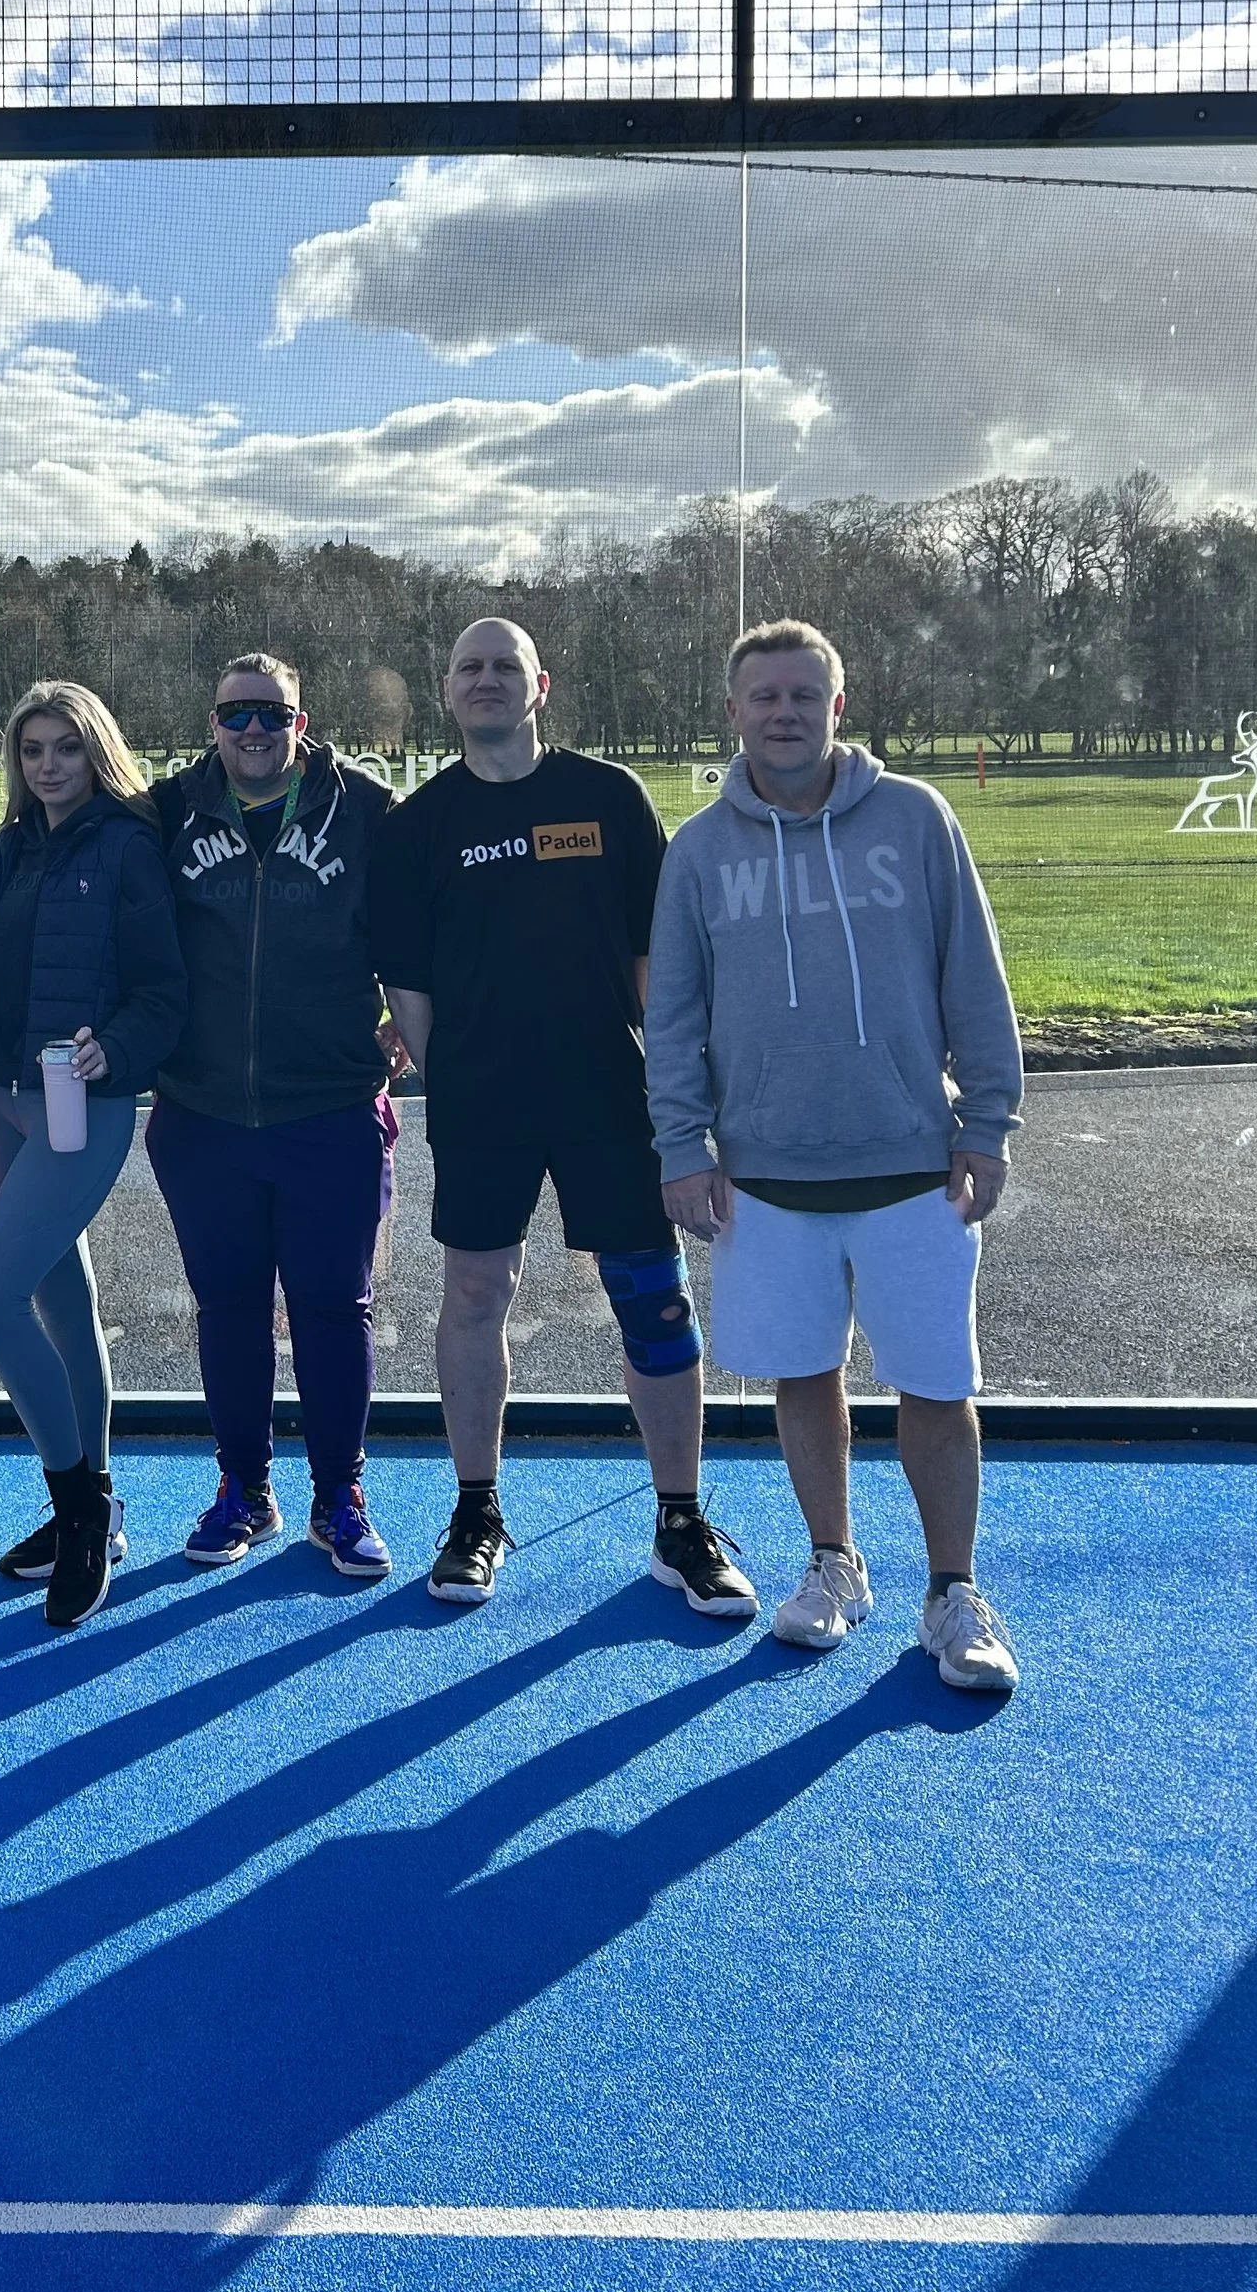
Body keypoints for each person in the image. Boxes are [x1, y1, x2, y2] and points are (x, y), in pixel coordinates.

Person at [647, 619, 1024, 1695]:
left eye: (801, 693)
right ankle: (833, 1566)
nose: (782, 712)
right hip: (765, 1177)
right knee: (803, 1377)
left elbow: (974, 982)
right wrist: (684, 1145)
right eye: (762, 695)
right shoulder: (699, 850)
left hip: (911, 1165)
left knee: (935, 1388)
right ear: (733, 712)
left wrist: (985, 1125)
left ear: (835, 705)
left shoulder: (913, 819)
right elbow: (672, 1019)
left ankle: (950, 1592)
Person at [375, 620, 756, 1618]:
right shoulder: (419, 825)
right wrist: (454, 1070)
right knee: (473, 1294)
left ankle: (680, 1519)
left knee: (653, 1302)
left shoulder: (607, 799)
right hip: (483, 1105)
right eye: (470, 668)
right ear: (446, 692)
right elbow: (407, 988)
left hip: (608, 1099)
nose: (488, 680)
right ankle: (475, 1510)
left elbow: (654, 966)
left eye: (506, 666)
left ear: (539, 686)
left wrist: (667, 1083)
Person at [145, 652, 398, 1580]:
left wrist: (406, 1022)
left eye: (272, 713)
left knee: (335, 1306)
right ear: (211, 721)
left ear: (303, 719)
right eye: (236, 713)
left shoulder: (366, 809)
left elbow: (419, 932)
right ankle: (244, 1488)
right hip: (203, 1109)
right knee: (230, 1309)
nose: (254, 730)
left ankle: (341, 1492)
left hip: (327, 1104)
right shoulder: (166, 811)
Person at [0, 682, 187, 1628]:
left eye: (68, 748)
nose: (49, 765)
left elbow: (164, 991)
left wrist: (116, 1050)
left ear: (99, 752)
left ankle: (81, 1509)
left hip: (79, 1109)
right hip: (5, 1105)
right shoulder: (1, 854)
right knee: (61, 1298)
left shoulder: (128, 849)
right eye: (34, 749)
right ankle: (96, 1501)